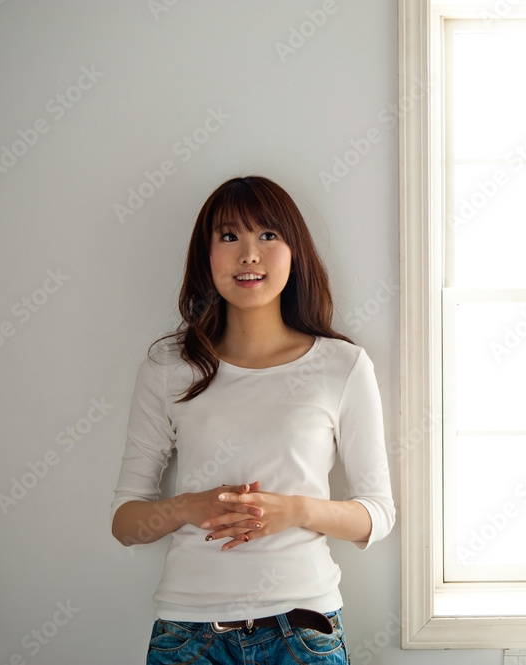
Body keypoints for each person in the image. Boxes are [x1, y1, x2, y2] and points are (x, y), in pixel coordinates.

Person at [110, 175, 395, 665]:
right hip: (189, 637)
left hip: (303, 633)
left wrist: (296, 511)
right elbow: (125, 522)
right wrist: (185, 507)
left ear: (294, 251)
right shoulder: (167, 368)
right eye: (229, 237)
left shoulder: (342, 366)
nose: (249, 255)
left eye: (267, 235)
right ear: (207, 255)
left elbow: (379, 514)